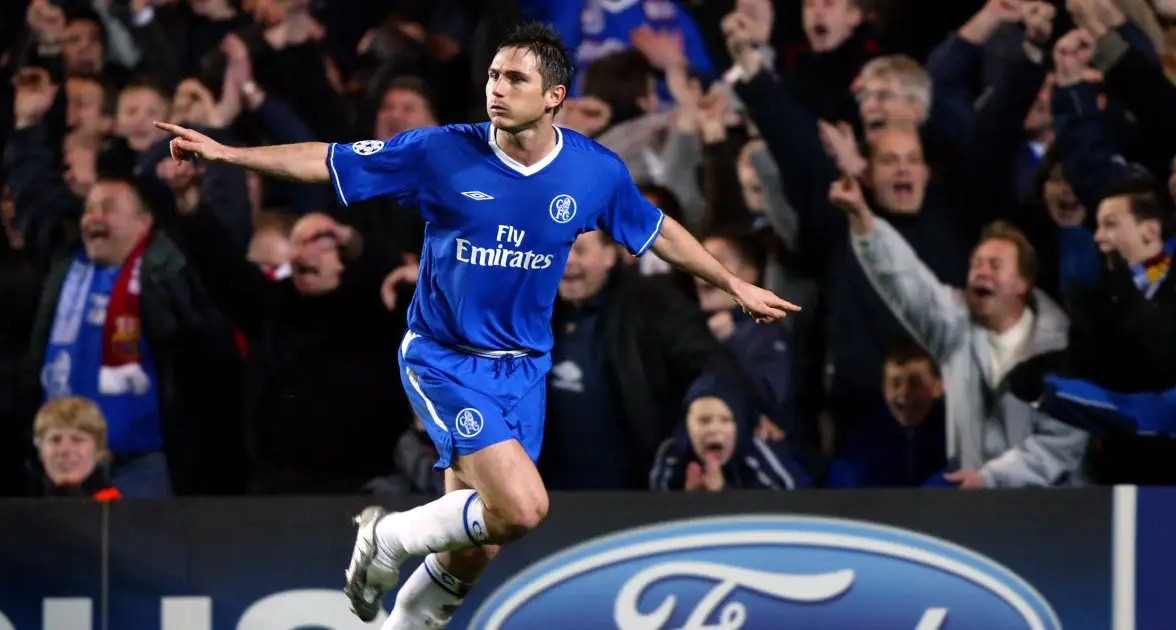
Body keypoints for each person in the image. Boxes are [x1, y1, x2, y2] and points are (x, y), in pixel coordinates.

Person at [153, 22, 799, 629]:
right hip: (444, 357)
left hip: (523, 369)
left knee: (479, 545)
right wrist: (227, 153)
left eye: (515, 79)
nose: (496, 88)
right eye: (493, 75)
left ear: (554, 97)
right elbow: (328, 160)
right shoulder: (441, 152)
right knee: (524, 508)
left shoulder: (593, 171)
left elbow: (657, 232)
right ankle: (386, 537)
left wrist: (733, 282)